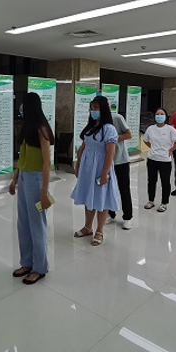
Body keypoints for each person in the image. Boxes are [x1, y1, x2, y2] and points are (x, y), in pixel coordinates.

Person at [8, 93, 53, 284]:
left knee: (36, 225)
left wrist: (44, 191)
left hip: (36, 179)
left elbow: (47, 162)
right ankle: (27, 262)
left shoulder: (42, 129)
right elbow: (22, 157)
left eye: (22, 105)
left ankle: (40, 267)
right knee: (23, 223)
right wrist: (14, 179)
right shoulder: (27, 129)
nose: (20, 109)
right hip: (25, 177)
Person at [71, 96, 121, 247]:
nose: (94, 111)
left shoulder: (109, 129)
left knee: (101, 198)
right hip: (87, 168)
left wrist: (105, 173)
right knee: (89, 197)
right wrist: (78, 164)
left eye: (97, 108)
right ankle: (88, 227)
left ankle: (99, 230)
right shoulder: (90, 127)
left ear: (103, 109)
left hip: (100, 168)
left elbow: (110, 153)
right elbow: (83, 147)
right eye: (92, 108)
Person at [143, 108, 176, 212]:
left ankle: (164, 203)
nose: (159, 116)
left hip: (165, 160)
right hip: (152, 158)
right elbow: (145, 140)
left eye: (162, 114)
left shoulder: (170, 129)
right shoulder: (151, 128)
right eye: (157, 114)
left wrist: (171, 149)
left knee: (165, 182)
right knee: (151, 181)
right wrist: (152, 147)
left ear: (165, 116)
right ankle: (151, 200)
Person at [106, 108, 135, 229]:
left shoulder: (117, 118)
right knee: (108, 189)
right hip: (106, 161)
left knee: (124, 189)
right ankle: (111, 214)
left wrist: (112, 138)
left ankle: (128, 217)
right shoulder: (97, 121)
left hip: (120, 160)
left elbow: (128, 135)